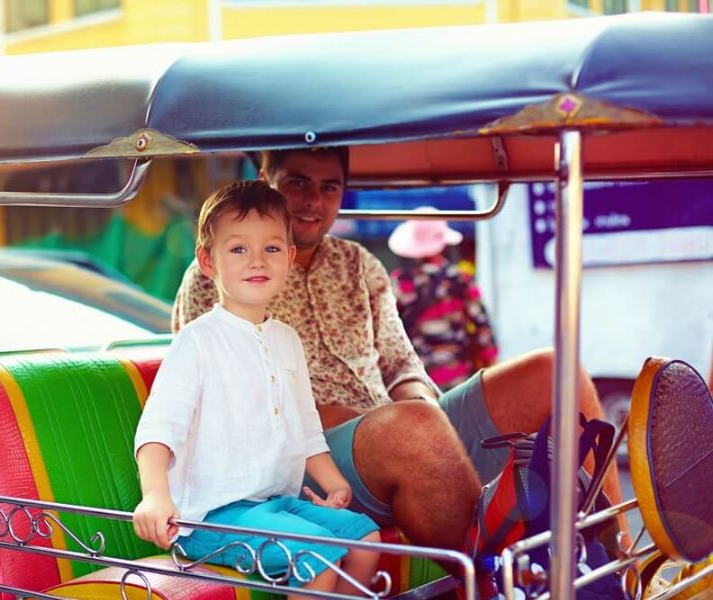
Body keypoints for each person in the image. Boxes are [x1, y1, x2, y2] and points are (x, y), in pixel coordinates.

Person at [173, 148, 626, 553]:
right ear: (265, 178)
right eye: (297, 182)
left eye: (329, 187)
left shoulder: (358, 263)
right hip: (304, 461)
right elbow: (213, 397)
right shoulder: (219, 271)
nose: (313, 200)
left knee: (552, 371)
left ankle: (617, 557)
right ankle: (498, 577)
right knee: (408, 428)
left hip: (399, 428)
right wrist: (326, 413)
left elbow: (400, 363)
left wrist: (425, 409)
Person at [133, 180, 381, 597]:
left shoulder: (287, 339)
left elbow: (306, 430)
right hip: (210, 516)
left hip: (275, 504)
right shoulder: (198, 341)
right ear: (208, 262)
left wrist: (336, 483)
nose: (256, 261)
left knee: (366, 540)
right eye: (237, 249)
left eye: (270, 248)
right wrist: (155, 497)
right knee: (316, 554)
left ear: (288, 257)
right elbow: (158, 430)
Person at [387, 212, 498, 391]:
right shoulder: (461, 280)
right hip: (457, 374)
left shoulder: (400, 283)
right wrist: (491, 362)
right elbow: (481, 327)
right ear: (443, 244)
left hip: (416, 378)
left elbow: (387, 331)